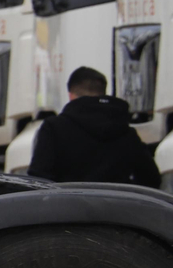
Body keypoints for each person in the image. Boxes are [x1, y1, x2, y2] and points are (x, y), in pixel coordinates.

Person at [28, 66, 160, 186]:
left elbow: (39, 180)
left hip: (67, 209)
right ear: (103, 93)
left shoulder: (53, 128)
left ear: (71, 95)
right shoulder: (126, 132)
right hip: (117, 210)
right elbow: (151, 179)